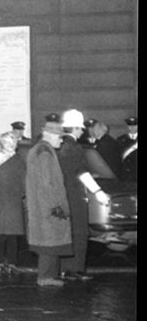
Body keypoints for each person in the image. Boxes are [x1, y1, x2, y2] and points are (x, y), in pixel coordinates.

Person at [57, 108, 110, 281]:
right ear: (75, 128)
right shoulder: (75, 147)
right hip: (75, 196)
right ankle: (75, 269)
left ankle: (64, 269)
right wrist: (98, 192)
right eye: (80, 129)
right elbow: (82, 173)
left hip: (61, 196)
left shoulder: (57, 145)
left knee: (66, 233)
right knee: (79, 232)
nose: (82, 132)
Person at [24, 120, 71, 287]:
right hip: (48, 206)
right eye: (59, 137)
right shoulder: (45, 152)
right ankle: (45, 277)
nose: (61, 140)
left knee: (50, 240)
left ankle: (50, 275)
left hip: (42, 205)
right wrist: (56, 205)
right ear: (50, 135)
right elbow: (47, 182)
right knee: (49, 241)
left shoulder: (40, 149)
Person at [0, 131, 27, 273]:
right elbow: (24, 181)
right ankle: (11, 261)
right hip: (13, 200)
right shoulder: (17, 160)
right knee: (12, 234)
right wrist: (22, 194)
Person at [117, 116, 137, 183]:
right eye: (130, 125)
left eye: (135, 125)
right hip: (126, 174)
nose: (132, 127)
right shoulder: (120, 139)